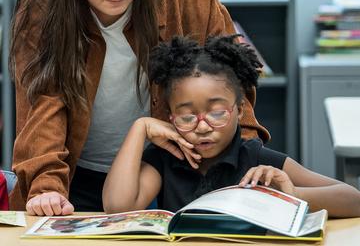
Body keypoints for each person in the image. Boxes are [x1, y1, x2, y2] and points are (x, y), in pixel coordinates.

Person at [9, 0, 269, 215]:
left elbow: (230, 74)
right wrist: (46, 186)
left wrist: (242, 159)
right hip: (74, 176)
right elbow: (41, 104)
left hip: (174, 167)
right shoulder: (43, 2)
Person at [103, 34, 360, 217]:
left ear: (239, 111)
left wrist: (293, 193)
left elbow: (353, 200)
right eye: (187, 117)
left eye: (216, 113)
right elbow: (117, 207)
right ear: (170, 118)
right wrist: (140, 128)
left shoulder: (256, 158)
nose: (202, 127)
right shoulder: (165, 160)